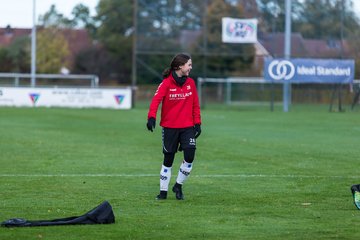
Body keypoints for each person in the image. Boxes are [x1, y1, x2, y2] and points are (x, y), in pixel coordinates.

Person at [146, 53, 202, 200]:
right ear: (179, 66)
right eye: (189, 64)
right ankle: (163, 192)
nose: (191, 67)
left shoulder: (191, 83)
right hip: (170, 127)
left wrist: (197, 123)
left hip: (187, 127)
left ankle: (178, 186)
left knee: (190, 156)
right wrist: (151, 117)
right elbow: (156, 100)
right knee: (168, 160)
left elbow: (195, 105)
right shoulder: (166, 83)